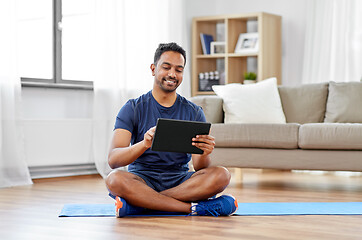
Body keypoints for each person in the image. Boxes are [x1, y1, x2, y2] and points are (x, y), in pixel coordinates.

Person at [106, 42, 238, 217]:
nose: (172, 74)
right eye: (166, 67)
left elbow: (200, 167)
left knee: (222, 175)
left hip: (180, 181)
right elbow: (114, 160)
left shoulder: (194, 112)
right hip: (142, 179)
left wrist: (205, 152)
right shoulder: (133, 108)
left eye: (178, 70)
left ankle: (141, 204)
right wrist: (144, 144)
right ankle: (194, 208)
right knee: (114, 179)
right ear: (153, 69)